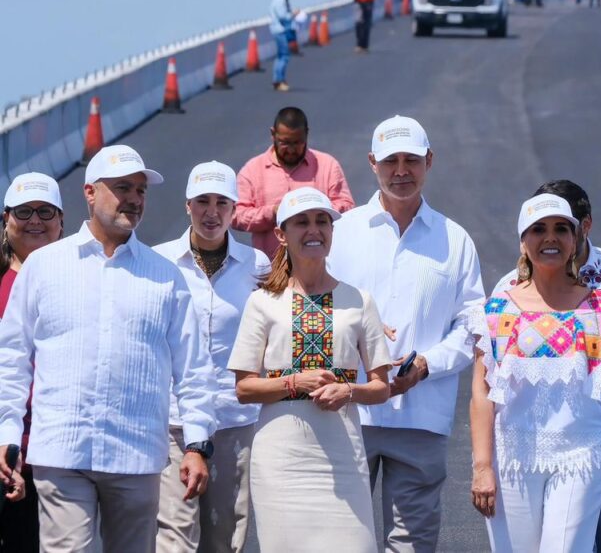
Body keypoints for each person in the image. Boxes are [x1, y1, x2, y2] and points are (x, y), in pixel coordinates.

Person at [0, 145, 218, 553]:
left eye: (140, 190)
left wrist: (197, 443)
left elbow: (192, 369)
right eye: (122, 188)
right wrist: (6, 432)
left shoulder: (164, 276)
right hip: (61, 450)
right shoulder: (44, 267)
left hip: (135, 453)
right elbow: (11, 358)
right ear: (89, 193)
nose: (134, 199)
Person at [327, 114, 485, 552]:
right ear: (372, 162)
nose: (401, 171)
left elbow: (473, 327)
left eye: (411, 160)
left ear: (429, 161)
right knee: (343, 539)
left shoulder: (456, 240)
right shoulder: (342, 233)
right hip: (349, 413)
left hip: (422, 416)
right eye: (391, 160)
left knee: (412, 543)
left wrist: (427, 365)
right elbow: (316, 311)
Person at [491, 181, 601, 553]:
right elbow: (485, 387)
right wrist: (482, 466)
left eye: (561, 227)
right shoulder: (505, 296)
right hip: (521, 455)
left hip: (595, 450)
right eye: (538, 228)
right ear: (523, 239)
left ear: (582, 227)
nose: (550, 237)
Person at [228, 187, 391, 552]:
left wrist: (349, 391)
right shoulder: (263, 302)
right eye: (302, 222)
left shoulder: (359, 300)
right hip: (282, 459)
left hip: (343, 454)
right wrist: (294, 382)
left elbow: (382, 386)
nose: (314, 230)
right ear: (282, 235)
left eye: (322, 222)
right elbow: (244, 388)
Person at [155, 161, 272, 553]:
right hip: (174, 419)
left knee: (225, 536)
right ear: (187, 205)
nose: (212, 212)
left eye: (222, 202)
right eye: (202, 201)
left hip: (234, 418)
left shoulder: (257, 266)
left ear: (235, 208)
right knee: (175, 534)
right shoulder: (159, 263)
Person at [0, 173, 64, 551]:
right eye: (24, 212)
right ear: (6, 219)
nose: (35, 221)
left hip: (55, 448)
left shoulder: (80, 279)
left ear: (61, 220)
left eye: (45, 212)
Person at [233, 106, 355, 260]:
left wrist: (315, 211)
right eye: (285, 143)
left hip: (321, 267)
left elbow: (348, 208)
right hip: (268, 271)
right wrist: (273, 213)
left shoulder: (327, 166)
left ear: (307, 135)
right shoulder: (252, 170)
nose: (291, 150)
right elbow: (235, 216)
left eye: (297, 143)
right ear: (273, 134)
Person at [269, 0, 297, 92]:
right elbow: (283, 16)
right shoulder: (280, 1)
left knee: (280, 56)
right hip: (280, 30)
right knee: (284, 56)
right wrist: (293, 14)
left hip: (276, 29)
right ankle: (279, 80)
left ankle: (277, 80)